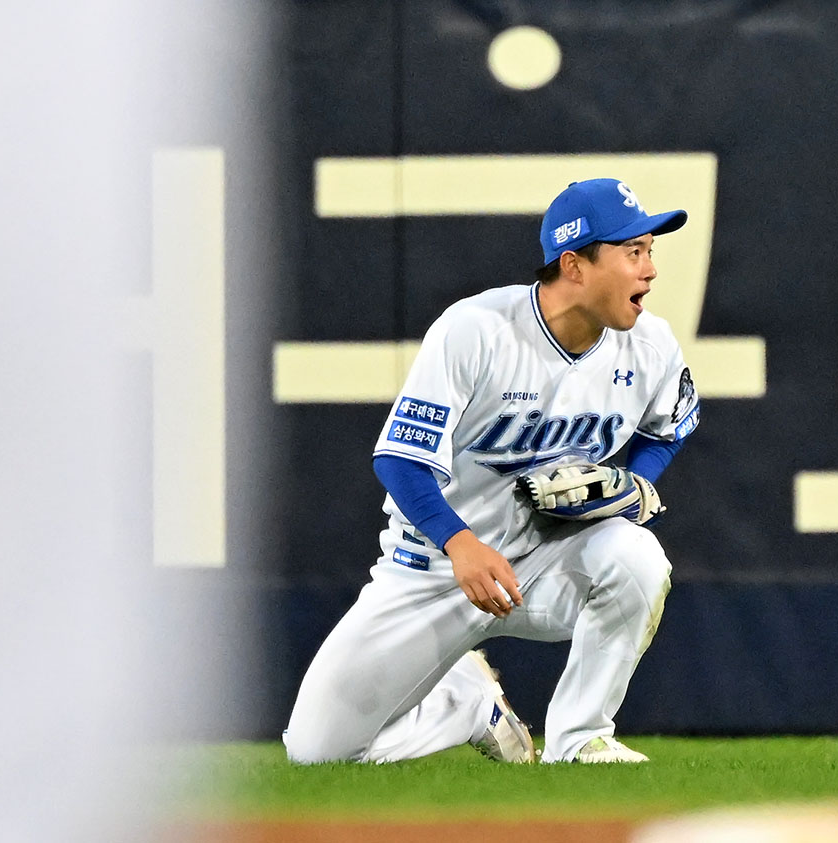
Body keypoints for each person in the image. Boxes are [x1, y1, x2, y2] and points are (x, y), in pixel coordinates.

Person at [284, 178, 701, 765]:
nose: (650, 270)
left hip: (545, 561)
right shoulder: (477, 330)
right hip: (432, 570)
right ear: (575, 266)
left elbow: (671, 424)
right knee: (315, 754)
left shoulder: (651, 346)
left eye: (650, 251)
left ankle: (581, 740)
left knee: (637, 557)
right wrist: (459, 544)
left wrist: (638, 480)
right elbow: (400, 459)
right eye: (632, 252)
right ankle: (471, 704)